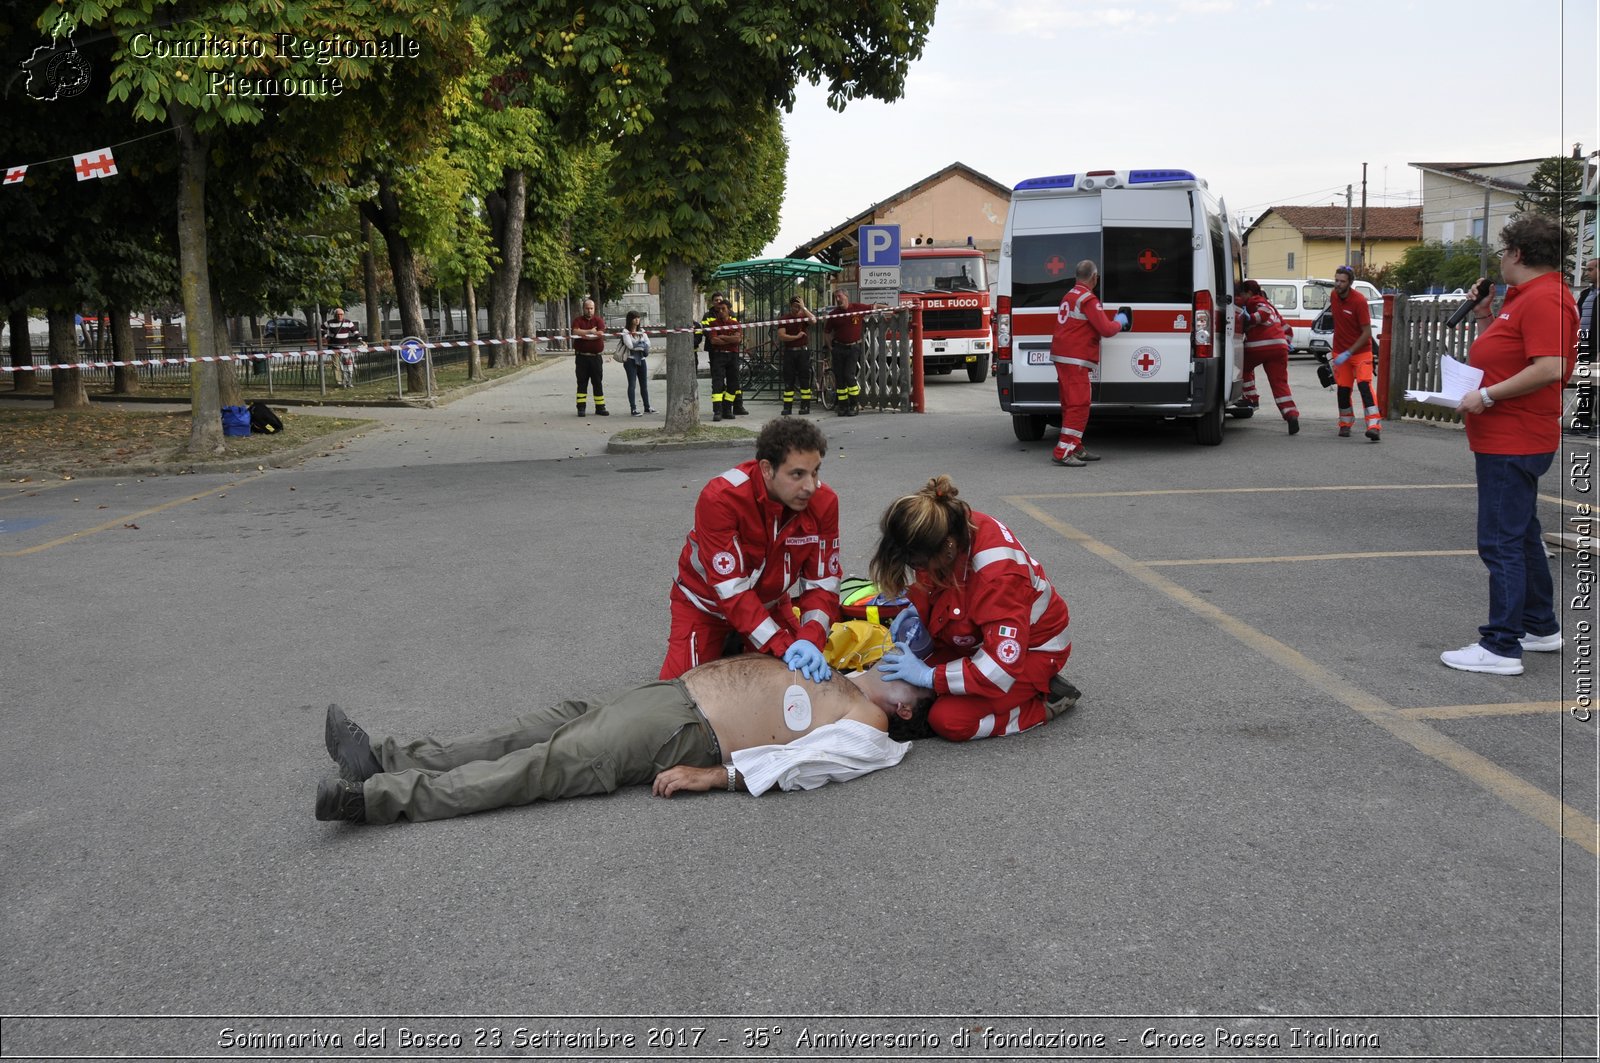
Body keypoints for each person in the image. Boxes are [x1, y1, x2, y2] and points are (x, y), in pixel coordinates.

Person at [313, 655, 932, 825]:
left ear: (905, 713)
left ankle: (377, 800)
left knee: (540, 765)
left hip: (684, 731)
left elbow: (806, 763)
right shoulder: (855, 676)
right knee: (534, 728)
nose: (902, 666)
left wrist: (717, 777)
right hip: (671, 696)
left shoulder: (874, 730)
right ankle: (385, 759)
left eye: (914, 682)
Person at [1441, 214, 1579, 675]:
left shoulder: (1545, 299)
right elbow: (1501, 356)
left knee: (1499, 541)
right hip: (1507, 434)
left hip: (1514, 437)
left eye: (1503, 252)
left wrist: (1486, 395)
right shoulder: (1525, 298)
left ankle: (1501, 646)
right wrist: (1484, 316)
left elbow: (1551, 366)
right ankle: (1540, 626)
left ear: (1518, 254)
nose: (1501, 260)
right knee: (1520, 535)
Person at [867, 476, 1076, 742]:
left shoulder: (998, 578)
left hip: (1031, 651)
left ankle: (1045, 702)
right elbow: (942, 590)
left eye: (918, 562)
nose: (916, 569)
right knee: (904, 676)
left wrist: (930, 676)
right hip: (981, 634)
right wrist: (914, 611)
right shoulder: (945, 524)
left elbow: (998, 668)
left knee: (949, 720)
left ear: (948, 549)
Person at [661, 417, 840, 682]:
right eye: (797, 474)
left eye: (815, 472)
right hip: (705, 608)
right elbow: (730, 589)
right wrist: (781, 645)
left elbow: (822, 583)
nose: (810, 487)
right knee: (679, 698)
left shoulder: (824, 502)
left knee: (804, 684)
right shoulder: (722, 497)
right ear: (767, 469)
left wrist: (811, 638)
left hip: (769, 606)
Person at [1049, 259, 1127, 466]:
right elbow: (1107, 329)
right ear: (1094, 277)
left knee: (1069, 403)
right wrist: (1120, 321)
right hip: (1075, 358)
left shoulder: (1070, 295)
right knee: (1079, 404)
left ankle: (1075, 447)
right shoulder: (1088, 299)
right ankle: (1063, 451)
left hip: (1063, 355)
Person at [1235, 279, 1300, 434]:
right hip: (1279, 348)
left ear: (1249, 293)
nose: (1242, 297)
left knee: (1243, 367)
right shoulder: (1274, 308)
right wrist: (1286, 344)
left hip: (1259, 346)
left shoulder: (1254, 301)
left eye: (1242, 293)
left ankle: (1251, 399)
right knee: (1280, 383)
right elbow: (1288, 329)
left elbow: (1262, 313)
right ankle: (1291, 414)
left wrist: (1250, 318)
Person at [1327, 266, 1380, 441]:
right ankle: (1345, 423)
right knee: (1343, 390)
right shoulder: (1333, 296)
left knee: (1364, 387)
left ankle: (1374, 425)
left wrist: (1349, 352)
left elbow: (1366, 333)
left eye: (1342, 281)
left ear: (1350, 283)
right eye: (1336, 280)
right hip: (1340, 352)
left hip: (1360, 353)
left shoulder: (1359, 301)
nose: (1338, 284)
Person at [821, 289, 877, 416]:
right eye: (836, 298)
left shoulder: (857, 308)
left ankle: (854, 404)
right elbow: (826, 332)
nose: (838, 300)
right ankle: (843, 406)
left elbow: (875, 306)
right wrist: (830, 347)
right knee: (840, 378)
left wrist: (894, 309)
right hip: (838, 348)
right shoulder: (834, 314)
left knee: (848, 375)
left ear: (846, 296)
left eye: (839, 297)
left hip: (853, 348)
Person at [1568, 256, 1597, 436]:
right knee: (1584, 385)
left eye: (1591, 269)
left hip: (1597, 347)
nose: (1587, 272)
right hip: (1583, 346)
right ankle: (1583, 421)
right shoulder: (1586, 294)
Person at [776, 295, 817, 416]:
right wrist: (796, 337)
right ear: (790, 306)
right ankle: (787, 407)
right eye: (795, 306)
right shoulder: (785, 318)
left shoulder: (803, 316)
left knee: (804, 379)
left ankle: (805, 406)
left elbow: (814, 320)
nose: (797, 309)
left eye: (799, 306)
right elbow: (781, 336)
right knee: (789, 380)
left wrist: (804, 308)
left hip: (802, 352)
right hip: (789, 352)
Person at [706, 298, 744, 422]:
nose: (721, 311)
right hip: (718, 356)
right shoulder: (714, 324)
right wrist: (729, 338)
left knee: (733, 383)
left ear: (729, 310)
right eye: (719, 309)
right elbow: (713, 340)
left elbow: (737, 340)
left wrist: (722, 337)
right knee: (717, 383)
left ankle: (728, 409)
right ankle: (717, 411)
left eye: (723, 309)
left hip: (733, 356)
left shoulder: (735, 323)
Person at [571, 297, 608, 416]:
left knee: (597, 382)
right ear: (583, 309)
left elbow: (600, 334)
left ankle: (600, 407)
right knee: (582, 382)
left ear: (594, 309)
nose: (589, 310)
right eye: (587, 308)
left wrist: (584, 333)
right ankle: (581, 408)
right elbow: (575, 332)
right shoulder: (578, 320)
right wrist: (590, 332)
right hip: (582, 358)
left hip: (596, 358)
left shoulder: (599, 320)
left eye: (591, 308)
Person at [621, 310, 654, 417]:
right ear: (630, 319)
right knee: (632, 384)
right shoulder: (625, 331)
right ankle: (633, 408)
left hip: (642, 360)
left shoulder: (642, 331)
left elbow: (648, 343)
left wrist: (640, 345)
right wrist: (641, 344)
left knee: (644, 385)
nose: (637, 320)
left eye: (638, 318)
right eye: (635, 318)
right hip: (630, 361)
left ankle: (647, 407)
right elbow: (630, 346)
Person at [323, 308, 361, 388]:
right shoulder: (329, 322)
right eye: (338, 314)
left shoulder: (348, 322)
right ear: (335, 315)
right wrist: (325, 336)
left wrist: (359, 338)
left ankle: (348, 381)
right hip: (334, 348)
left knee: (347, 365)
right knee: (336, 365)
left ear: (343, 315)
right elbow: (321, 328)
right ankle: (339, 381)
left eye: (341, 314)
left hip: (345, 348)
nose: (340, 316)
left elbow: (354, 331)